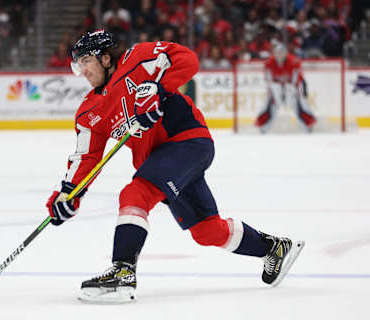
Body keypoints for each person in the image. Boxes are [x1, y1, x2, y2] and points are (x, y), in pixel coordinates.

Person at [46, 30, 305, 303]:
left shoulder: (138, 59)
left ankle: (123, 271)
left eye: (86, 61)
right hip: (162, 161)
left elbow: (187, 58)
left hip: (188, 141)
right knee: (207, 231)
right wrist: (67, 194)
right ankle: (274, 249)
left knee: (135, 194)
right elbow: (86, 157)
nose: (82, 70)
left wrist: (159, 88)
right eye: (78, 64)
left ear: (106, 58)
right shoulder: (89, 112)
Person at [255, 44, 316, 133]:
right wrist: (273, 91)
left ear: (286, 53)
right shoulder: (269, 63)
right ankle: (263, 126)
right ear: (274, 53)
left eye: (282, 53)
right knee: (270, 104)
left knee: (299, 103)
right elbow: (268, 79)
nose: (279, 55)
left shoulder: (293, 61)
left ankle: (308, 125)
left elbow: (297, 78)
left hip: (292, 85)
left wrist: (293, 90)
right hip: (276, 86)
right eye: (277, 53)